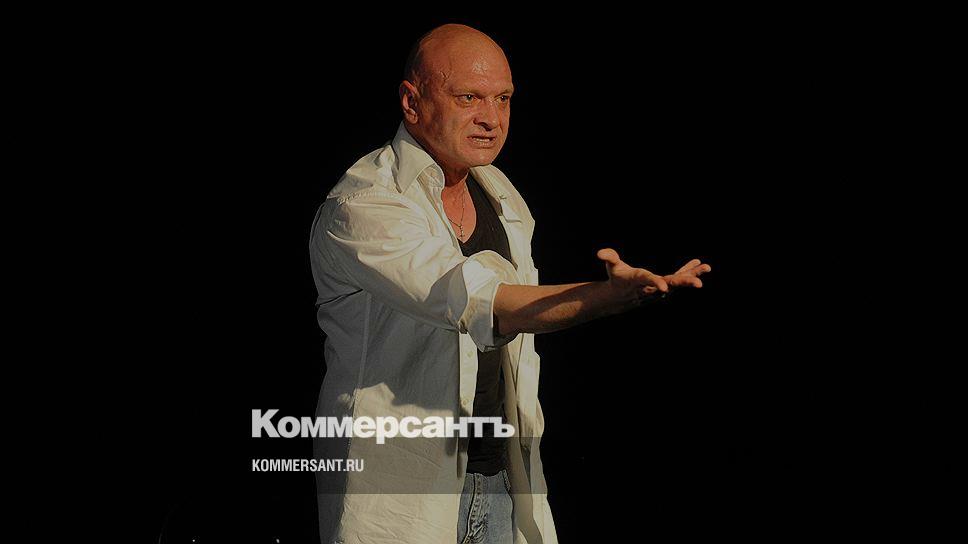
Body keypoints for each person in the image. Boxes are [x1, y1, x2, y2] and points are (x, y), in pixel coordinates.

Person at [308, 23, 711, 544]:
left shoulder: (499, 192)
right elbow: (483, 303)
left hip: (497, 478)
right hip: (402, 489)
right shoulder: (364, 203)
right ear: (412, 102)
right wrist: (606, 296)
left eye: (503, 98)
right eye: (469, 98)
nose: (492, 119)